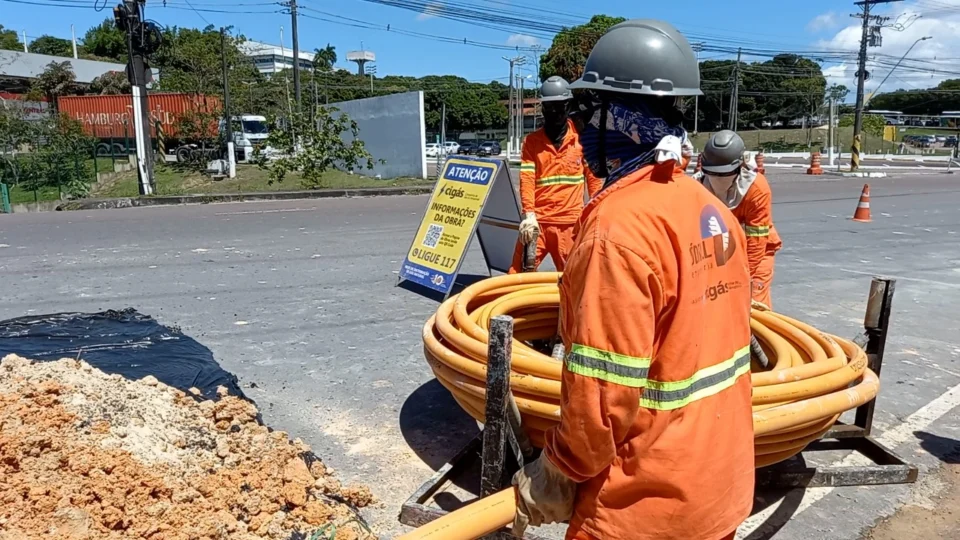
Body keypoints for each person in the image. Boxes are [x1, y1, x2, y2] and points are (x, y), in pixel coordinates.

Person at [511, 20, 755, 540]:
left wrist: (559, 468)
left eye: (587, 109)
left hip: (644, 502)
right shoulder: (711, 210)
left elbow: (602, 394)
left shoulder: (617, 231)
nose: (580, 124)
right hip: (720, 486)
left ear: (615, 116)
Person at [509, 76, 603, 273]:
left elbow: (593, 179)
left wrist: (596, 211)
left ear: (568, 106)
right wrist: (529, 215)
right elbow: (527, 180)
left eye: (560, 106)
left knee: (573, 278)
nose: (555, 112)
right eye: (550, 106)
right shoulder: (532, 142)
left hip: (570, 224)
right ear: (543, 108)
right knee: (517, 276)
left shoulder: (581, 140)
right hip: (538, 224)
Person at [697, 130, 782, 308]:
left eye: (724, 174)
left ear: (741, 166)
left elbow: (757, 240)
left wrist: (743, 278)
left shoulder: (756, 188)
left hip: (756, 254)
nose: (718, 179)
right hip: (719, 253)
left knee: (752, 306)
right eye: (713, 173)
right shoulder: (697, 186)